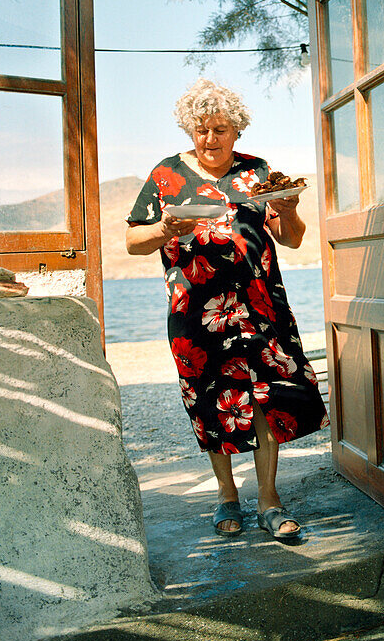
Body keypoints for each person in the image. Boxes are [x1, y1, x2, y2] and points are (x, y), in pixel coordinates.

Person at [125, 78, 328, 541]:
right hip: (195, 310)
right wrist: (165, 227)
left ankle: (270, 500)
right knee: (211, 398)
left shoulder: (257, 172)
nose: (210, 139)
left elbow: (292, 237)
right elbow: (133, 242)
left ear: (237, 131)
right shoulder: (165, 176)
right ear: (189, 132)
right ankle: (225, 495)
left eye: (220, 129)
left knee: (267, 395)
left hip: (260, 306)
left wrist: (290, 207)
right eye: (201, 130)